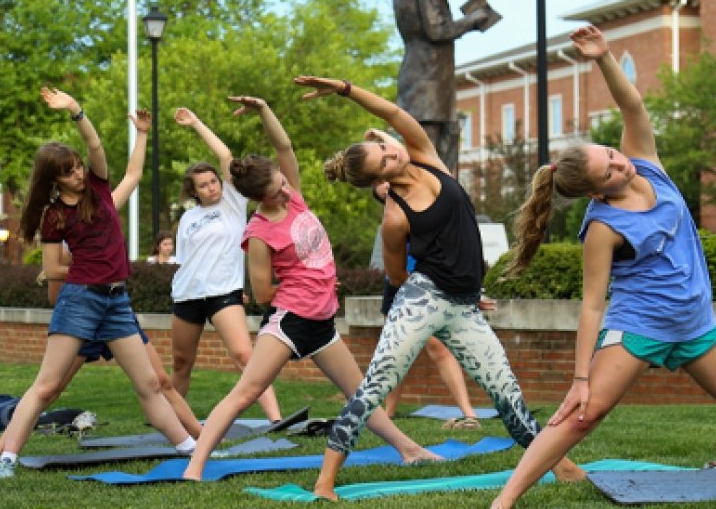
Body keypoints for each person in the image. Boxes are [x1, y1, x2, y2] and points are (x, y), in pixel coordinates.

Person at [484, 27, 716, 509]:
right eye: (610, 172)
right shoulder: (602, 226)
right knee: (585, 414)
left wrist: (602, 59)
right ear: (597, 193)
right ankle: (506, 498)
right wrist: (580, 377)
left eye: (614, 156)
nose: (622, 166)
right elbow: (594, 302)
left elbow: (633, 106)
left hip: (694, 324)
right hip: (640, 326)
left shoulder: (647, 165)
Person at [291, 75, 582, 501]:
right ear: (381, 180)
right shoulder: (395, 217)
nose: (393, 152)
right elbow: (395, 276)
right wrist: (426, 298)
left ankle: (563, 466)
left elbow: (392, 113)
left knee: (507, 396)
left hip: (464, 304)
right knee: (375, 385)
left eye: (387, 147)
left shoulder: (426, 157)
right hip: (422, 298)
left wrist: (346, 89)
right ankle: (325, 483)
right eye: (385, 159)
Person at [183, 95, 440, 481]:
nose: (286, 192)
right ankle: (195, 466)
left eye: (284, 183)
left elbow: (283, 146)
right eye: (275, 192)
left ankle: (409, 449)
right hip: (290, 320)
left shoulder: (296, 198)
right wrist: (306, 279)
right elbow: (263, 293)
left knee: (362, 392)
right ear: (259, 199)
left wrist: (265, 110)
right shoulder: (258, 233)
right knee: (247, 390)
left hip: (321, 320)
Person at [0, 87, 196, 478]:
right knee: (48, 386)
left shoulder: (99, 190)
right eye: (68, 172)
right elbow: (52, 268)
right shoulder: (54, 215)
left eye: (77, 166)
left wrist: (78, 111)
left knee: (150, 383)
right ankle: (7, 458)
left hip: (117, 301)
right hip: (80, 301)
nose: (78, 173)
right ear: (55, 180)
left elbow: (99, 147)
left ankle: (192, 449)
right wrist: (89, 271)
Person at [169, 107, 282, 424]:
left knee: (245, 356)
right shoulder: (187, 219)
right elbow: (185, 261)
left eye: (213, 181)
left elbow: (226, 154)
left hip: (224, 294)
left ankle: (276, 419)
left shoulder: (232, 201)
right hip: (187, 295)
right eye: (203, 185)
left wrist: (196, 123)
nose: (211, 187)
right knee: (181, 362)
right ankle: (173, 423)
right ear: (194, 192)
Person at [370, 182, 482, 428]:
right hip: (398, 284)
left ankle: (468, 412)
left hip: (429, 283)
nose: (387, 187)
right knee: (396, 349)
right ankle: (388, 413)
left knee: (437, 347)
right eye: (381, 186)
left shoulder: (426, 203)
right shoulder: (393, 215)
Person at [393, 0, 492, 173]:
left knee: (433, 155)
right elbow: (436, 29)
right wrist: (472, 20)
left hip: (423, 77)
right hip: (429, 81)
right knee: (431, 158)